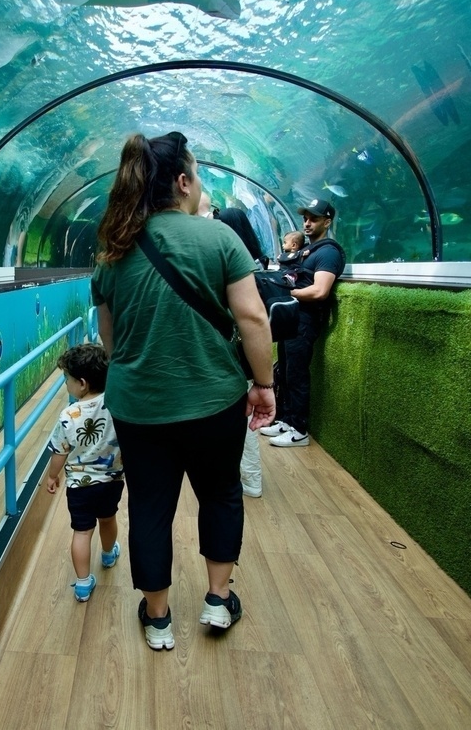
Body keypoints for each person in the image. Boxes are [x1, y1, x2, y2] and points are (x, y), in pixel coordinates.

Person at [91, 131, 276, 650]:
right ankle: (218, 601)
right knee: (220, 494)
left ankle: (158, 618)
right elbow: (253, 317)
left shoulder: (112, 253)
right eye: (196, 174)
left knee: (150, 506)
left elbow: (111, 340)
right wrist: (263, 385)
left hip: (138, 406)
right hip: (215, 400)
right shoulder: (220, 240)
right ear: (182, 181)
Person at [260, 195, 346, 447]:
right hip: (291, 318)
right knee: (285, 370)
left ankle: (299, 430)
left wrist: (285, 292)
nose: (307, 224)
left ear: (327, 222)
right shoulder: (306, 251)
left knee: (296, 373)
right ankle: (286, 420)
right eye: (305, 219)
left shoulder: (328, 253)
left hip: (305, 320)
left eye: (314, 219)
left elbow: (320, 291)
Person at [45, 344, 125, 603]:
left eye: (67, 379)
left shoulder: (68, 416)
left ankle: (82, 584)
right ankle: (108, 553)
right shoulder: (116, 404)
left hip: (79, 486)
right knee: (108, 518)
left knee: (81, 532)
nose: (66, 383)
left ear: (81, 383)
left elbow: (59, 452)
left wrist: (51, 476)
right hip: (111, 481)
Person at [213, 207, 269, 499]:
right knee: (243, 421)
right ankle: (245, 477)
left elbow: (249, 317)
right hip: (250, 356)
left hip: (234, 355)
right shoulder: (259, 263)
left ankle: (250, 479)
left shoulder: (233, 264)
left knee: (243, 423)